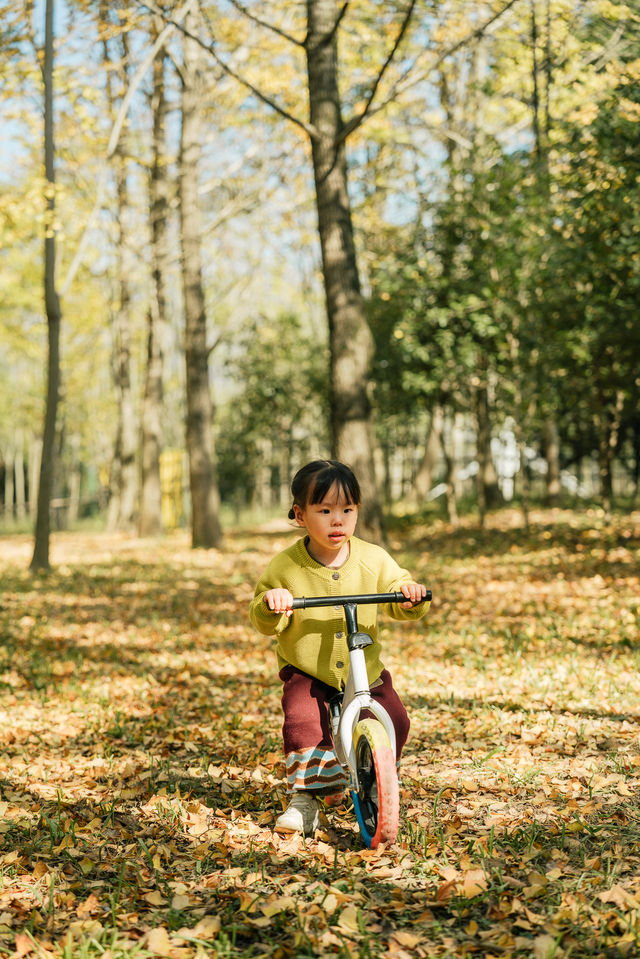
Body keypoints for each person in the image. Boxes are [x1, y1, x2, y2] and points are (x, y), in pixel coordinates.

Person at [249, 459, 429, 836]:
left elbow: (399, 590)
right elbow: (262, 614)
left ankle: (376, 775)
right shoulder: (286, 566)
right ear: (300, 515)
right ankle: (307, 799)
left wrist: (410, 595)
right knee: (302, 720)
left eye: (347, 510)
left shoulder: (373, 558)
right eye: (325, 510)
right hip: (308, 669)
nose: (338, 520)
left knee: (395, 717)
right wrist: (273, 602)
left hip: (364, 669)